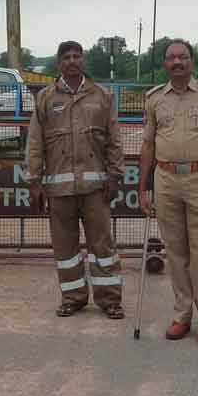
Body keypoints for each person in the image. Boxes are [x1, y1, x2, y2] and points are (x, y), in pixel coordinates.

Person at [139, 39, 198, 344]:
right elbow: (149, 144)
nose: (177, 62)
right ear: (164, 64)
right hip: (165, 180)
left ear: (192, 61)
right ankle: (182, 314)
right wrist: (143, 187)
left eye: (183, 57)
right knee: (176, 252)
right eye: (170, 58)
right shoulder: (154, 99)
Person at [25, 41, 125, 319]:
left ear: (83, 60)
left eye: (76, 56)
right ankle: (73, 297)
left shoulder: (102, 96)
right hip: (59, 191)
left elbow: (114, 141)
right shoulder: (45, 98)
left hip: (96, 189)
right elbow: (35, 143)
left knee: (103, 247)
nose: (72, 61)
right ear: (59, 63)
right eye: (66, 57)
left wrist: (115, 176)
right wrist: (34, 181)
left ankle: (110, 301)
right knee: (65, 249)